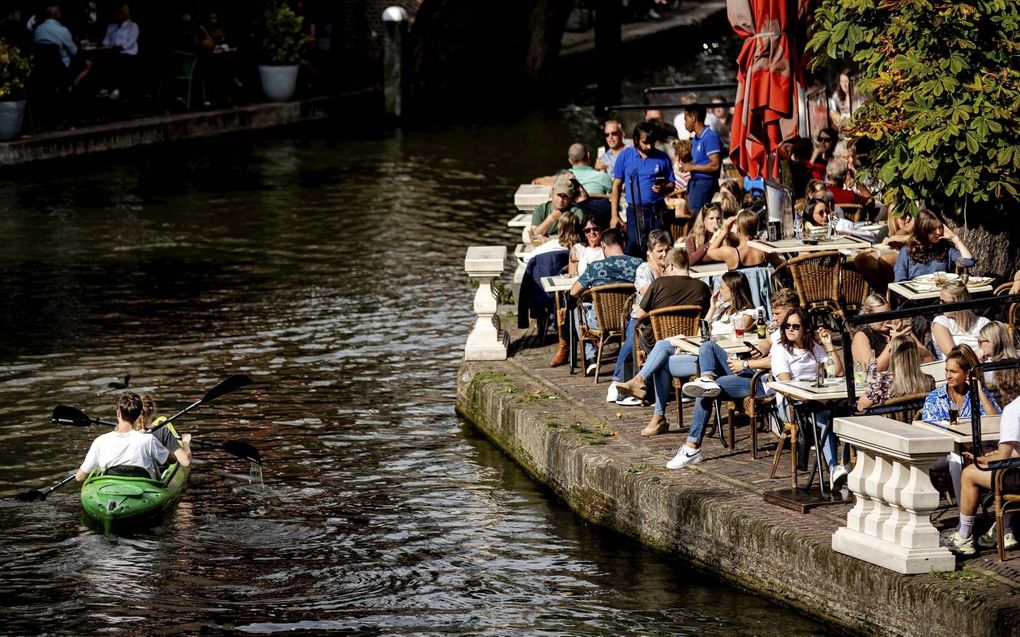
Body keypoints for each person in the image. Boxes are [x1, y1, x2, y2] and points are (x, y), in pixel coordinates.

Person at [609, 249, 714, 433]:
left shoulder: (658, 284)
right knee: (664, 352)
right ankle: (657, 417)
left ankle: (643, 386)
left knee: (662, 347)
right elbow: (705, 320)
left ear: (671, 266)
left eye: (665, 267)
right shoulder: (702, 287)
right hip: (689, 345)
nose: (664, 271)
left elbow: (640, 315)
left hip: (658, 344)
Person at [942, 393, 1020, 555]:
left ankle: (964, 537)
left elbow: (1004, 457)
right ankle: (1002, 529)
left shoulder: (1014, 409)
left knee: (970, 473)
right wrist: (987, 458)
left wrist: (982, 460)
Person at [921, 344, 1000, 503]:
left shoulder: (976, 394)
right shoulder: (936, 397)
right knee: (955, 458)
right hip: (942, 452)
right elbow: (928, 431)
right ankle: (963, 514)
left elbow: (996, 420)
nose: (948, 376)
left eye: (954, 371)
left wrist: (979, 392)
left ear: (967, 374)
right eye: (947, 370)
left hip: (975, 448)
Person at [569, 228, 644, 373]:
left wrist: (591, 295)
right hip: (630, 319)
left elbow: (573, 292)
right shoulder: (638, 263)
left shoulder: (596, 267)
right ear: (623, 243)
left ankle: (591, 357)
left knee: (577, 309)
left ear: (603, 245)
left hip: (602, 321)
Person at [610, 229, 671, 402]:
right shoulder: (644, 269)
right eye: (660, 250)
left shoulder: (669, 267)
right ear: (649, 252)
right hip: (643, 318)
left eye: (667, 249)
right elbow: (649, 296)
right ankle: (616, 381)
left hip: (663, 318)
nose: (664, 254)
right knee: (633, 340)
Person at [74, 393, 174, 482]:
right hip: (143, 489)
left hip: (109, 489)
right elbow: (173, 460)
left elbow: (79, 477)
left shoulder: (100, 441)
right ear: (139, 414)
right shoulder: (148, 440)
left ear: (118, 413)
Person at [610, 121, 676, 256]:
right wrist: (614, 215)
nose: (649, 146)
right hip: (634, 211)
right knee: (634, 247)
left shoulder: (662, 157)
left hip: (658, 211)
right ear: (635, 140)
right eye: (645, 142)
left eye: (652, 142)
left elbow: (672, 184)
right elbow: (616, 185)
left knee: (663, 247)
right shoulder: (625, 155)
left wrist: (664, 188)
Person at [850, 293, 933, 373]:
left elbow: (929, 359)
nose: (886, 320)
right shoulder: (861, 337)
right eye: (881, 317)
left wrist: (908, 340)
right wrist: (893, 344)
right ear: (868, 316)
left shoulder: (898, 330)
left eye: (888, 315)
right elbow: (871, 372)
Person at [856, 336, 936, 412]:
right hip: (917, 423)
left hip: (890, 425)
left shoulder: (883, 383)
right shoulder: (929, 381)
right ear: (915, 354)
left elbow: (861, 406)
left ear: (892, 353)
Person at [893, 209, 975, 281]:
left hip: (942, 294)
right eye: (933, 229)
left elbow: (969, 261)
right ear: (923, 230)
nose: (938, 232)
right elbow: (900, 280)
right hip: (917, 295)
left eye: (940, 227)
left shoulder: (946, 248)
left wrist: (954, 238)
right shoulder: (907, 251)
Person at [33, 5, 92, 88]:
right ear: (55, 14)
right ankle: (71, 86)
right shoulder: (62, 30)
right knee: (88, 64)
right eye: (59, 12)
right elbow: (74, 52)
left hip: (43, 68)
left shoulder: (38, 29)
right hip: (62, 69)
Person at [679, 103, 722, 215]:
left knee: (700, 219)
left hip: (705, 184)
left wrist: (691, 167)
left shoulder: (710, 137)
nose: (685, 123)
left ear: (693, 118)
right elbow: (697, 162)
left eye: (686, 118)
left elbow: (715, 165)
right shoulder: (696, 139)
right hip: (695, 183)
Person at [931, 281, 990, 361]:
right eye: (940, 300)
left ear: (959, 303)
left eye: (945, 302)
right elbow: (953, 357)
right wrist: (977, 356)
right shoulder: (941, 322)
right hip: (954, 371)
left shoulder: (984, 323)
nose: (941, 304)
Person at [533, 143, 613, 197]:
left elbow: (544, 181)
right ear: (588, 156)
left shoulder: (563, 179)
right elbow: (616, 194)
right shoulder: (602, 177)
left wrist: (538, 180)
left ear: (570, 160)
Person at [138, 394, 193, 469]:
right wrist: (186, 442)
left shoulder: (126, 432)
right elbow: (186, 462)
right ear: (152, 410)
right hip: (152, 476)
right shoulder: (162, 431)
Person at [100, 3, 140, 100]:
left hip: (128, 52)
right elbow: (105, 41)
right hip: (113, 50)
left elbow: (130, 42)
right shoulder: (111, 26)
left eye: (120, 13)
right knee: (103, 58)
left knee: (118, 59)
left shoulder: (133, 26)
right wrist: (107, 47)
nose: (118, 15)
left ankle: (116, 88)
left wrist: (120, 48)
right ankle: (106, 87)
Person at [529, 175, 585, 242]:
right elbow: (535, 236)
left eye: (565, 196)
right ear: (552, 193)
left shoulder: (576, 212)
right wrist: (551, 218)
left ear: (571, 198)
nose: (561, 199)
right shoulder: (540, 209)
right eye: (559, 195)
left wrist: (547, 240)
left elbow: (575, 239)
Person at [976, 321, 1020, 405]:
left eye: (980, 341)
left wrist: (976, 361)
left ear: (992, 341)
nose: (979, 346)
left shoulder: (991, 368)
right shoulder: (1015, 360)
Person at [684, 202, 736, 267]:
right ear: (704, 220)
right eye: (711, 218)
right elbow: (691, 261)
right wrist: (711, 242)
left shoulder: (727, 236)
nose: (715, 222)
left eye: (718, 218)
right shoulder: (692, 239)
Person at [569, 214, 605, 278]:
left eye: (595, 229)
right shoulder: (577, 249)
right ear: (584, 233)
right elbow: (572, 275)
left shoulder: (606, 248)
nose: (592, 232)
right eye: (587, 230)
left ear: (601, 230)